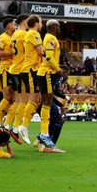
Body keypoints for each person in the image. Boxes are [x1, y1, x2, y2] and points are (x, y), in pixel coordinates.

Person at [36, 19, 62, 150]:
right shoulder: (51, 38)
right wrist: (58, 70)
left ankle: (42, 136)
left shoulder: (48, 37)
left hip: (46, 72)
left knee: (47, 103)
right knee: (47, 103)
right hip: (47, 72)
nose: (59, 28)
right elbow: (49, 58)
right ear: (52, 26)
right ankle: (44, 134)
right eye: (58, 26)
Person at [17, 14, 43, 144]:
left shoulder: (29, 34)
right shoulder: (34, 34)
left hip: (29, 70)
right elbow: (40, 52)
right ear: (37, 24)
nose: (42, 24)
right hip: (30, 70)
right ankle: (23, 126)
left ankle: (24, 125)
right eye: (41, 22)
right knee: (34, 99)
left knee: (37, 99)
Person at [4, 14, 29, 144]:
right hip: (20, 70)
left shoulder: (15, 34)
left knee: (18, 101)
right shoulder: (24, 35)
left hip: (14, 69)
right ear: (25, 22)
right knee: (23, 101)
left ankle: (8, 125)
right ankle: (13, 127)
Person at [0, 17, 16, 134]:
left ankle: (4, 123)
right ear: (8, 25)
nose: (15, 25)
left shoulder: (16, 36)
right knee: (8, 97)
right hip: (5, 69)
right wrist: (13, 52)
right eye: (13, 23)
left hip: (15, 69)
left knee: (14, 99)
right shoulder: (2, 37)